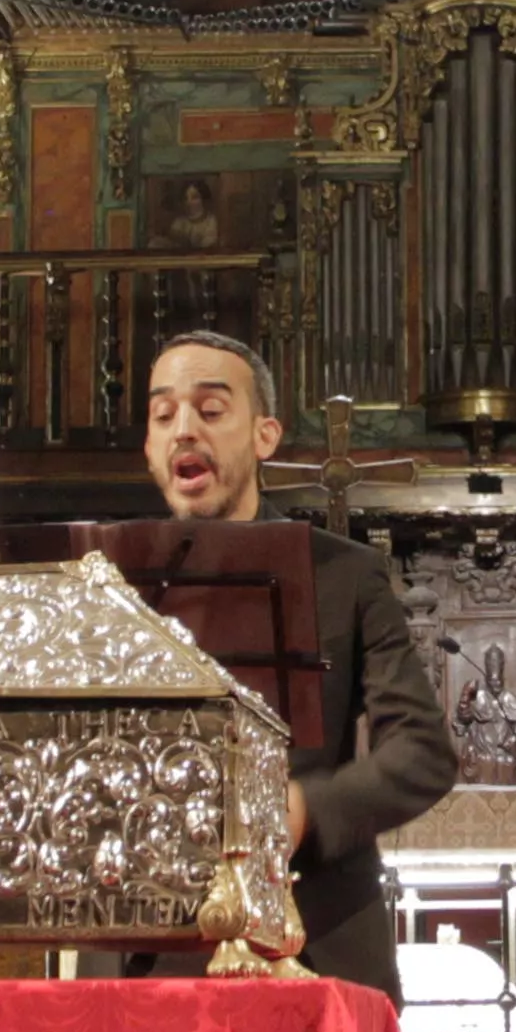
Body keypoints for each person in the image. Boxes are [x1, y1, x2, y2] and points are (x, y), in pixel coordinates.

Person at [131, 330, 456, 993]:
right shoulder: (111, 585)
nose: (184, 430)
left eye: (211, 410)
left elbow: (422, 750)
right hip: (153, 950)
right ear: (148, 448)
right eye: (164, 415)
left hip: (318, 943)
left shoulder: (343, 574)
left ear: (264, 435)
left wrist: (302, 811)